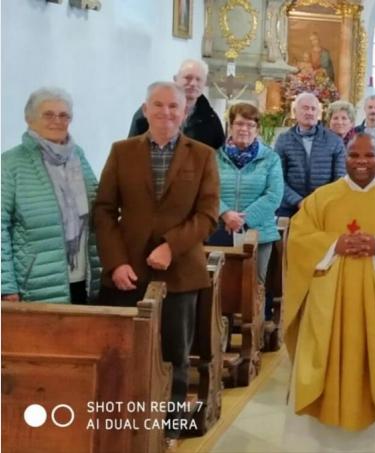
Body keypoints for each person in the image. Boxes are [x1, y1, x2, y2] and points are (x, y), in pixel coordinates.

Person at [281, 134, 375, 452]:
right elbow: (298, 239)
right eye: (353, 155)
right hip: (328, 310)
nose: (361, 162)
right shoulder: (321, 199)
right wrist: (334, 243)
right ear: (344, 157)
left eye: (369, 155)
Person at [94, 81, 220, 445]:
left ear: (185, 112)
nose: (166, 113)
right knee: (124, 354)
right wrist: (116, 263)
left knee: (174, 354)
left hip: (180, 271)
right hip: (127, 273)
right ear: (145, 109)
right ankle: (126, 425)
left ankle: (172, 426)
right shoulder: (122, 152)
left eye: (173, 107)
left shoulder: (202, 155)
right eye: (158, 106)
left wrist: (171, 245)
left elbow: (207, 213)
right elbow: (104, 210)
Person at [1, 87, 101, 304]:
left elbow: (98, 209)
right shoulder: (10, 163)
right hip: (33, 286)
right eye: (48, 114)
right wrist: (5, 285)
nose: (57, 120)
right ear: (29, 118)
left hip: (83, 278)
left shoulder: (78, 157)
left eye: (64, 115)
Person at [213, 102, 284, 289]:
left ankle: (254, 320)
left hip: (258, 232)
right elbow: (207, 191)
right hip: (220, 228)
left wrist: (243, 219)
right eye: (240, 124)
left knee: (254, 288)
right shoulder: (214, 156)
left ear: (257, 129)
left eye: (251, 125)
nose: (244, 129)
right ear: (230, 125)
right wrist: (226, 214)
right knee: (221, 287)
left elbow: (274, 194)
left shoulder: (270, 158)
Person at [128, 59, 225, 150]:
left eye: (198, 79)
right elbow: (132, 148)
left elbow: (218, 158)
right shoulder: (151, 111)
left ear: (204, 83)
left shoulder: (211, 120)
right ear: (175, 79)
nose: (193, 83)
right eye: (188, 78)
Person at [275, 93, 346, 217]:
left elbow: (340, 178)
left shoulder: (334, 140)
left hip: (324, 207)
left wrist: (321, 201)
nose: (310, 112)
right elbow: (278, 178)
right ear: (295, 111)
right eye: (305, 108)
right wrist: (298, 201)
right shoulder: (283, 140)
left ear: (318, 113)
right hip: (290, 208)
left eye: (313, 109)